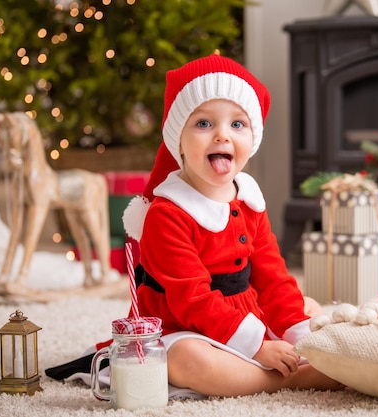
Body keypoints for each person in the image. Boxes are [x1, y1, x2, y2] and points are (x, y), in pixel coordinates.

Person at [120, 53, 341, 398]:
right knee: (186, 360)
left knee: (307, 309)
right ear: (177, 138)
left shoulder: (248, 199)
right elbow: (191, 300)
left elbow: (272, 275)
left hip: (242, 310)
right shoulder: (167, 213)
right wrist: (256, 347)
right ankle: (291, 379)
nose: (222, 136)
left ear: (252, 140)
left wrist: (298, 333)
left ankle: (299, 357)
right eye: (204, 124)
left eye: (237, 124)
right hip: (184, 323)